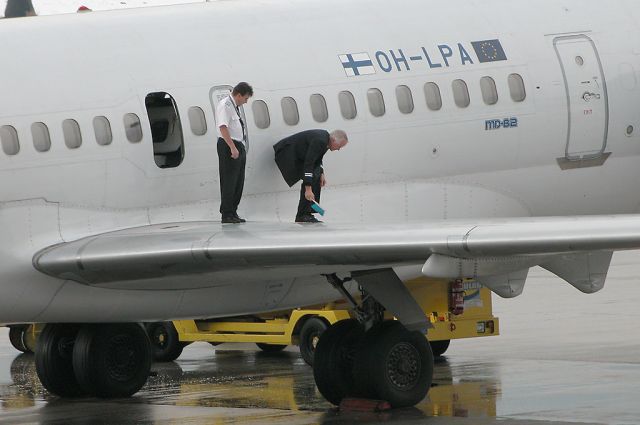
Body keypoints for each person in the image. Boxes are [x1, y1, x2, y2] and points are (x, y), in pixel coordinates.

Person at [273, 129, 348, 223]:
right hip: (287, 153)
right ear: (333, 140)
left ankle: (308, 212)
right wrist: (308, 188)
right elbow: (309, 163)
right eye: (339, 146)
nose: (338, 149)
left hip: (299, 155)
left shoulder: (325, 140)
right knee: (311, 177)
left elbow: (318, 158)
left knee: (316, 175)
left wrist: (321, 173)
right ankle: (302, 215)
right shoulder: (320, 141)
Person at [216, 82, 253, 224]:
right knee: (229, 181)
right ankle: (226, 214)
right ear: (239, 95)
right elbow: (223, 127)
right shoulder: (225, 105)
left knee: (238, 181)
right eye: (245, 98)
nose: (245, 102)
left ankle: (233, 211)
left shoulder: (234, 106)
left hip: (238, 145)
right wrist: (232, 147)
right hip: (229, 145)